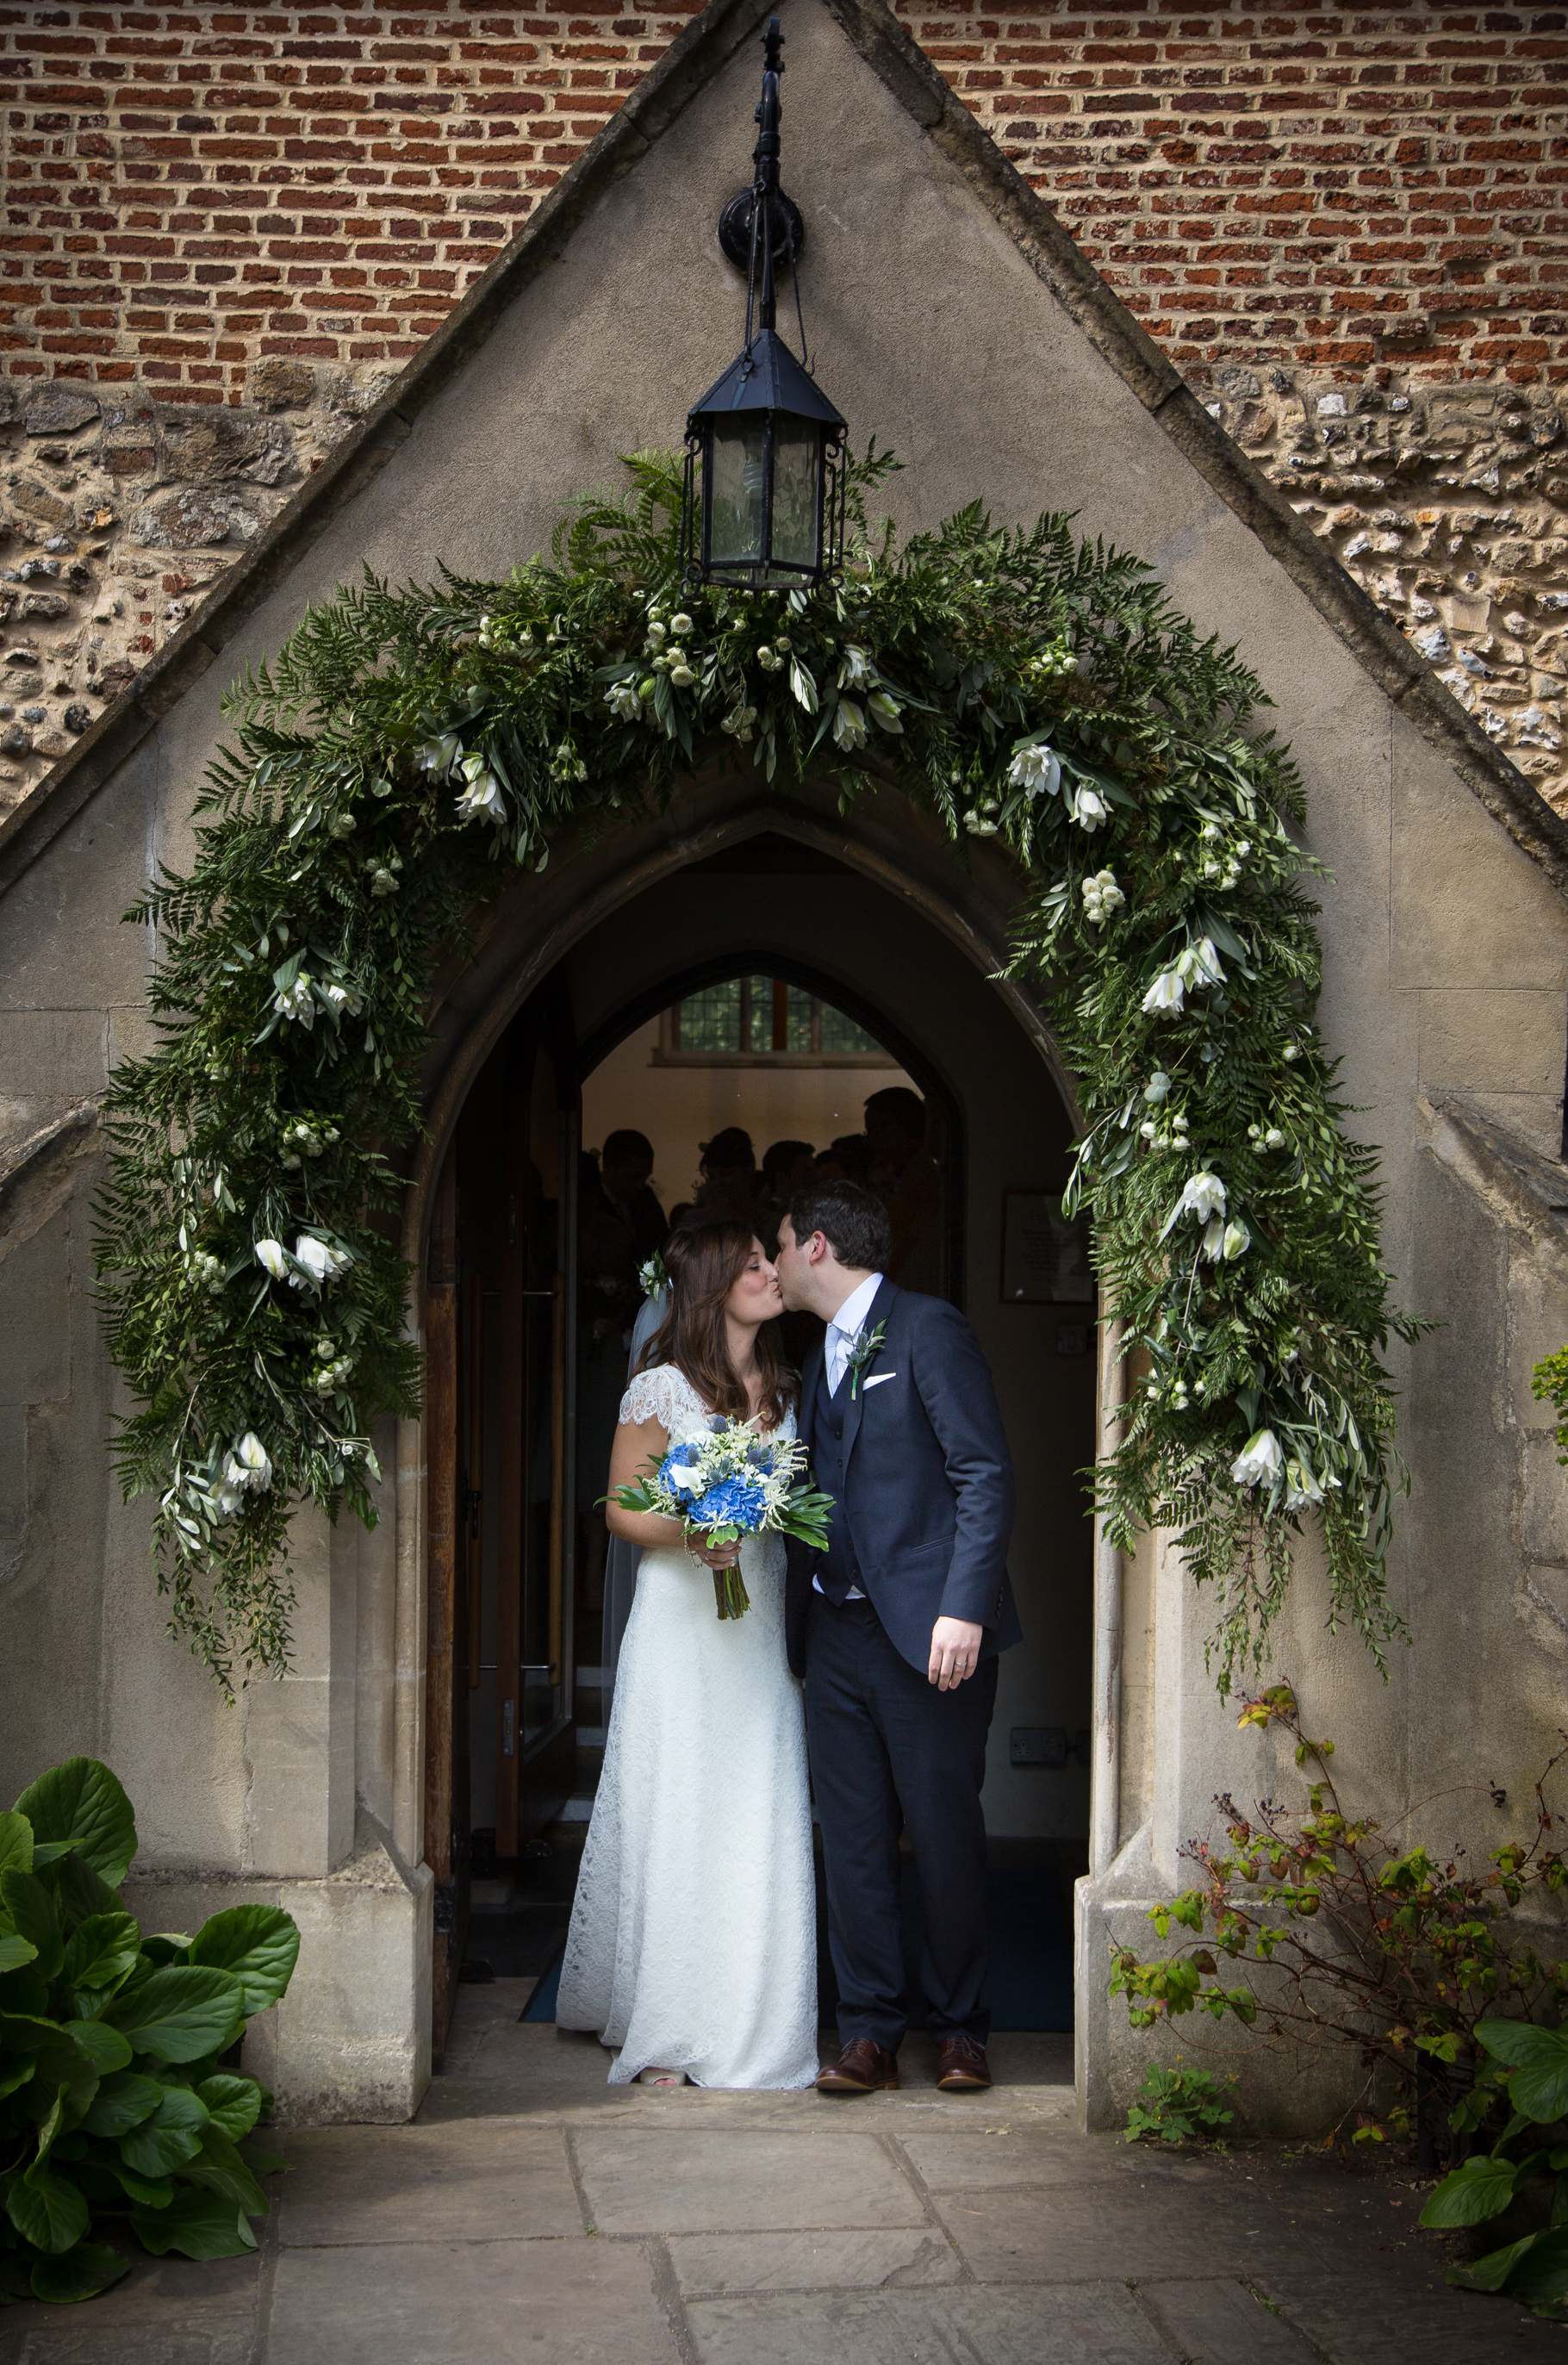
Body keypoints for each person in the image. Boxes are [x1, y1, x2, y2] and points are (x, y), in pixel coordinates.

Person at [556, 1217, 818, 2090]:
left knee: (752, 1807)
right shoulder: (658, 1388)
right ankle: (667, 2028)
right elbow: (621, 1512)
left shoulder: (783, 1385)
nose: (770, 1271)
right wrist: (692, 1530)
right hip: (678, 1626)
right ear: (711, 1285)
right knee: (679, 1805)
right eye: (751, 1263)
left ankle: (754, 2009)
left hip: (758, 1629)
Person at [775, 1179, 1019, 2097]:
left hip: (928, 1636)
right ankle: (868, 2032)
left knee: (944, 1834)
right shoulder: (814, 1350)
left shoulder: (928, 1329)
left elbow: (982, 1474)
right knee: (852, 1838)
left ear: (817, 1246)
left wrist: (961, 1607)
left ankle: (959, 2031)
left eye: (781, 1236)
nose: (775, 1253)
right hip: (832, 1628)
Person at [864, 1086, 942, 1291]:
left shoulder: (925, 1183)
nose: (869, 1140)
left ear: (897, 1130)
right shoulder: (904, 1177)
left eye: (873, 1130)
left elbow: (896, 1251)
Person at [599, 1127, 668, 1267]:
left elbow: (662, 1245)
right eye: (633, 1177)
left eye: (645, 1178)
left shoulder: (647, 1200)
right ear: (609, 1166)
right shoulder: (591, 1202)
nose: (640, 1186)